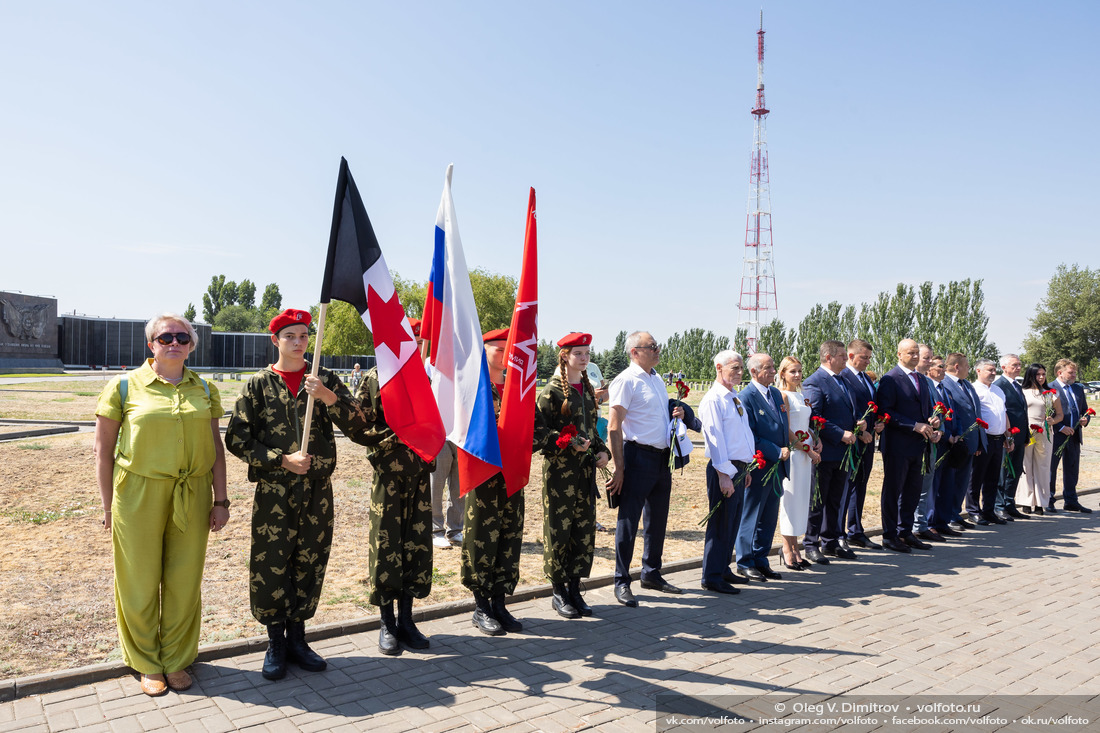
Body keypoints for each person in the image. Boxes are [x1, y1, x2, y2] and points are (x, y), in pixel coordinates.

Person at [225, 308, 369, 678]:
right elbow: (237, 438)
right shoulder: (258, 385)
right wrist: (280, 460)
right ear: (276, 340)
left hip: (317, 489)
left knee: (310, 561)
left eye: (304, 335)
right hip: (275, 491)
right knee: (272, 564)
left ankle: (298, 638)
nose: (298, 342)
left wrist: (328, 397)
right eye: (290, 336)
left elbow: (358, 424)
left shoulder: (322, 380)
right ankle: (275, 642)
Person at [95, 313, 228, 696]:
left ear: (191, 345)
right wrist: (107, 507)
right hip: (138, 493)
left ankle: (175, 658)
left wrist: (221, 500)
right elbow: (102, 451)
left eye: (182, 338)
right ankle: (147, 662)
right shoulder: (123, 386)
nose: (174, 343)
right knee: (138, 580)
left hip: (194, 491)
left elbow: (216, 449)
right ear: (151, 343)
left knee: (184, 580)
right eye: (165, 336)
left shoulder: (204, 387)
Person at [351, 364, 436, 655]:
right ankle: (387, 622)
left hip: (420, 472)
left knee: (416, 545)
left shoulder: (421, 375)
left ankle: (407, 621)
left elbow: (436, 418)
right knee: (387, 545)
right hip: (388, 475)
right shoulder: (375, 377)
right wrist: (399, 435)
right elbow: (361, 427)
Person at [533, 333, 609, 617]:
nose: (585, 358)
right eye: (579, 353)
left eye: (587, 352)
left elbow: (592, 430)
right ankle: (558, 590)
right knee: (559, 530)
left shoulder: (587, 388)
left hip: (585, 472)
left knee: (583, 529)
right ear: (564, 355)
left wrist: (603, 453)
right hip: (560, 473)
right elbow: (540, 433)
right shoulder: (552, 391)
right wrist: (568, 443)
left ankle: (575, 587)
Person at [606, 331, 685, 607]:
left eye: (656, 346)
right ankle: (621, 580)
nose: (657, 350)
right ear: (634, 352)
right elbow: (614, 426)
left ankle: (651, 572)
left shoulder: (656, 378)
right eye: (651, 347)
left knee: (657, 520)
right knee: (629, 521)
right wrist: (619, 467)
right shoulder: (626, 381)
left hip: (662, 458)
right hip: (637, 456)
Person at [460, 328, 527, 635]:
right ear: (484, 351)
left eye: (508, 348)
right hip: (484, 475)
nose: (505, 354)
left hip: (511, 475)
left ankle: (499, 602)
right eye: (499, 348)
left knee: (508, 538)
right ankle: (481, 606)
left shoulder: (519, 389)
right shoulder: (475, 387)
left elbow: (532, 429)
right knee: (481, 540)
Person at [698, 350, 755, 594]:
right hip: (725, 467)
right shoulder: (714, 399)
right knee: (721, 523)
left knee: (732, 522)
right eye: (734, 368)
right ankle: (711, 575)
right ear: (719, 368)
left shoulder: (734, 397)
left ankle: (723, 568)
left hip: (739, 467)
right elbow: (714, 439)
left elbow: (741, 434)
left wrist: (747, 467)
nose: (740, 373)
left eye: (741, 368)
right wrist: (724, 474)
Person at [876, 339, 939, 553]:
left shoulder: (921, 378)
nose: (914, 356)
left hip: (918, 445)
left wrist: (933, 421)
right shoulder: (890, 379)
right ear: (899, 354)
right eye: (910, 353)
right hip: (897, 444)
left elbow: (926, 409)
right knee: (894, 491)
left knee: (913, 490)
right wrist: (914, 425)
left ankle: (906, 532)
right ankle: (889, 535)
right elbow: (886, 411)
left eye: (916, 353)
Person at [801, 341, 858, 564]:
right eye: (843, 356)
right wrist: (839, 433)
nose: (846, 359)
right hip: (824, 451)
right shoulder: (815, 381)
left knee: (835, 500)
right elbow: (814, 417)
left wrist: (856, 425)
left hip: (843, 452)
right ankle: (811, 543)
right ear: (829, 358)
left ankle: (831, 541)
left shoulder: (843, 380)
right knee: (818, 500)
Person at [735, 352, 789, 581]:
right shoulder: (745, 398)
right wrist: (776, 451)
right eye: (768, 368)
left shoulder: (775, 393)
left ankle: (760, 558)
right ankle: (744, 560)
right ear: (754, 372)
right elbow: (750, 435)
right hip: (760, 465)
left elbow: (781, 425)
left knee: (768, 516)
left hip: (777, 467)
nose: (774, 372)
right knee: (751, 515)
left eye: (773, 367)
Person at [776, 356, 821, 571]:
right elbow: (785, 428)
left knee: (802, 500)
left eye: (800, 371)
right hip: (794, 454)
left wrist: (815, 437)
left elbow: (805, 422)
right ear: (783, 373)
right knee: (790, 501)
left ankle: (796, 547)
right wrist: (806, 448)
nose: (797, 375)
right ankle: (787, 548)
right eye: (792, 371)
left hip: (805, 454)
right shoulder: (783, 395)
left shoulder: (801, 396)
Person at [932, 353, 985, 535]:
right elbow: (954, 413)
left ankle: (954, 514)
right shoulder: (945, 384)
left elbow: (973, 411)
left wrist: (977, 440)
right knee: (949, 483)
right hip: (952, 441)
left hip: (967, 442)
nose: (968, 369)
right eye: (967, 366)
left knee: (962, 482)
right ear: (956, 367)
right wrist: (955, 435)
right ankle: (947, 517)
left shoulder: (967, 385)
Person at [838, 339, 882, 550]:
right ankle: (838, 532)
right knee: (845, 488)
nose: (867, 361)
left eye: (869, 358)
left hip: (867, 441)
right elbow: (845, 408)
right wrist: (860, 430)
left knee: (860, 486)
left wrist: (876, 425)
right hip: (851, 442)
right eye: (863, 357)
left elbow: (870, 408)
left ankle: (855, 530)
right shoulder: (843, 377)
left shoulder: (865, 378)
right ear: (851, 356)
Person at [967, 359, 1014, 526]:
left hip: (998, 439)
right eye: (989, 370)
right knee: (976, 477)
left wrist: (1008, 436)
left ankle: (989, 510)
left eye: (994, 370)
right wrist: (976, 441)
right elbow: (972, 417)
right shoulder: (973, 389)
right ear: (978, 371)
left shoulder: (998, 390)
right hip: (983, 439)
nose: (993, 373)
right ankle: (973, 511)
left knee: (993, 478)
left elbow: (1004, 414)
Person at [917, 355, 956, 542]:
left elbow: (941, 413)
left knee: (932, 485)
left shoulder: (937, 387)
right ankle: (922, 524)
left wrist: (940, 430)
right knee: (924, 486)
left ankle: (927, 524)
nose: (942, 370)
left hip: (936, 440)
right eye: (939, 366)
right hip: (918, 442)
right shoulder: (923, 383)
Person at [1016, 363, 1062, 514]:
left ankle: (1042, 502)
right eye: (1038, 374)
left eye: (1043, 374)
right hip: (1027, 432)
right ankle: (1026, 502)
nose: (1041, 377)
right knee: (1026, 465)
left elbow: (1060, 414)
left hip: (1045, 433)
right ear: (1030, 375)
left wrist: (1053, 421)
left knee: (1043, 466)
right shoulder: (1023, 392)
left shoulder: (1050, 393)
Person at [1048, 359, 1092, 513]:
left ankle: (1071, 501)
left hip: (1074, 436)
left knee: (1072, 470)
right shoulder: (1049, 388)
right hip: (1056, 436)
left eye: (1074, 372)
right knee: (1051, 469)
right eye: (1070, 372)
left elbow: (1085, 410)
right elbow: (1046, 414)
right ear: (1060, 372)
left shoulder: (1078, 389)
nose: (1074, 375)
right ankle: (1049, 500)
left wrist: (1085, 420)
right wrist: (1060, 427)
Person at [994, 354, 1030, 520]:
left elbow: (1022, 412)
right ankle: (999, 506)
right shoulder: (999, 385)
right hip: (1007, 436)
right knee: (1003, 472)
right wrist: (1006, 436)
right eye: (1014, 365)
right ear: (1004, 367)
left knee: (1014, 471)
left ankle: (1009, 503)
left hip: (1020, 435)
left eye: (1019, 364)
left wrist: (1026, 435)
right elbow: (1003, 413)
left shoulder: (1017, 385)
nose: (1018, 367)